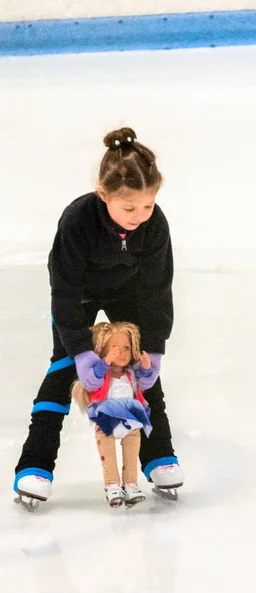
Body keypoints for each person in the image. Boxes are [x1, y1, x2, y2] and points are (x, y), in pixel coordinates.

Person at [14, 126, 184, 503]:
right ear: (103, 194)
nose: (139, 215)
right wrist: (81, 349)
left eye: (148, 205)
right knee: (63, 368)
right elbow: (64, 289)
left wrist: (153, 348)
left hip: (130, 291)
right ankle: (34, 464)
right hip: (79, 296)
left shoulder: (154, 226)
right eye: (129, 208)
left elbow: (158, 289)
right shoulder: (77, 221)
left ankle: (159, 455)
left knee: (138, 368)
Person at [72, 321, 155, 508]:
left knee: (131, 453)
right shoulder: (101, 375)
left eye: (126, 347)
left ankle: (131, 484)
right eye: (114, 348)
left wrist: (146, 367)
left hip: (130, 420)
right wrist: (106, 362)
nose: (122, 353)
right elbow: (92, 379)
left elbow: (144, 381)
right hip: (107, 420)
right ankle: (112, 485)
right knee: (108, 456)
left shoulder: (131, 374)